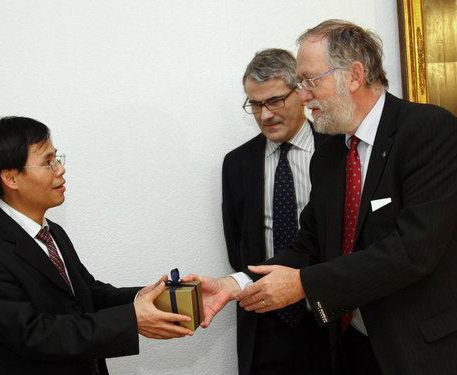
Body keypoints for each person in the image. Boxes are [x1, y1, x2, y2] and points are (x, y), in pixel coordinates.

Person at [184, 20, 457, 375]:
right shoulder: (331, 155)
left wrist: (302, 284)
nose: (304, 94)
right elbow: (309, 244)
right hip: (351, 346)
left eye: (310, 81)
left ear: (355, 75)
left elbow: (412, 252)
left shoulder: (427, 130)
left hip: (418, 350)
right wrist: (234, 284)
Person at [0, 116, 193, 375]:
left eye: (57, 158)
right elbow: (33, 335)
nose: (60, 169)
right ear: (11, 178)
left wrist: (143, 296)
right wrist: (131, 319)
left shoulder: (51, 232)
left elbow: (86, 294)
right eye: (47, 162)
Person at [222, 48, 330, 374]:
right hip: (266, 324)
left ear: (300, 91)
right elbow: (237, 243)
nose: (265, 114)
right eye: (255, 104)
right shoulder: (237, 164)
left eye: (274, 101)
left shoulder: (338, 150)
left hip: (331, 314)